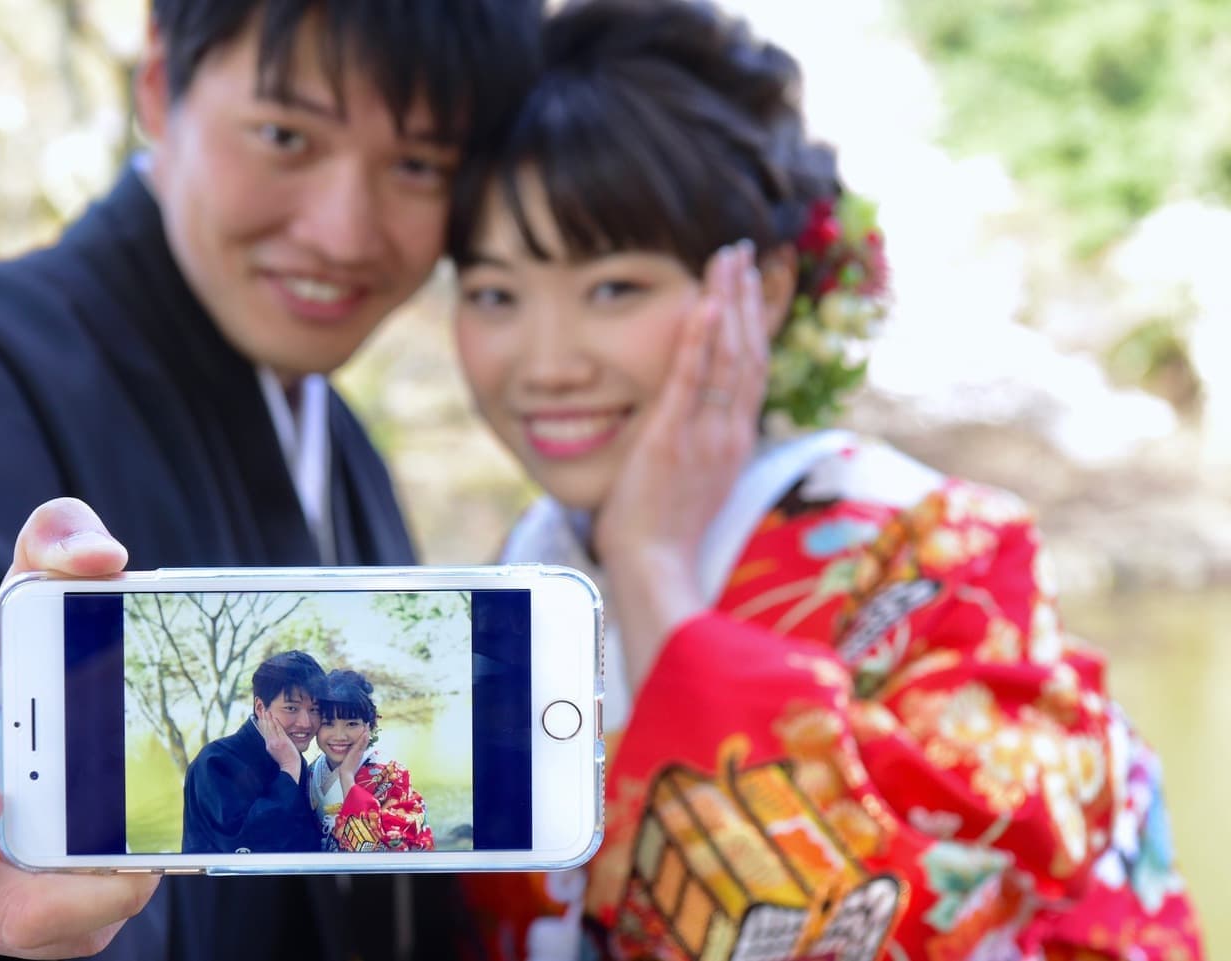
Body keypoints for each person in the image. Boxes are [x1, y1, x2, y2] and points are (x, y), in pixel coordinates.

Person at [445, 1, 1204, 959]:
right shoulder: (518, 570)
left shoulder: (938, 556)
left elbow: (947, 915)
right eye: (493, 294)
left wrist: (656, 581)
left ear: (758, 287)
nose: (545, 361)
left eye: (614, 288)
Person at [0, 1, 540, 958]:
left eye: (418, 164)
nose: (345, 230)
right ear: (159, 85)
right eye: (285, 135)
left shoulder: (341, 444)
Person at [182, 652, 326, 854]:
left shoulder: (293, 759)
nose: (306, 723)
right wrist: (288, 770)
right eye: (291, 708)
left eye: (314, 710)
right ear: (260, 707)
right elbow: (245, 849)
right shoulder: (214, 762)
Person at [307, 670, 433, 853]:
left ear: (370, 725)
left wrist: (348, 780)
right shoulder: (313, 771)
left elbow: (388, 853)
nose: (339, 736)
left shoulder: (391, 774)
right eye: (328, 723)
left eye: (351, 724)